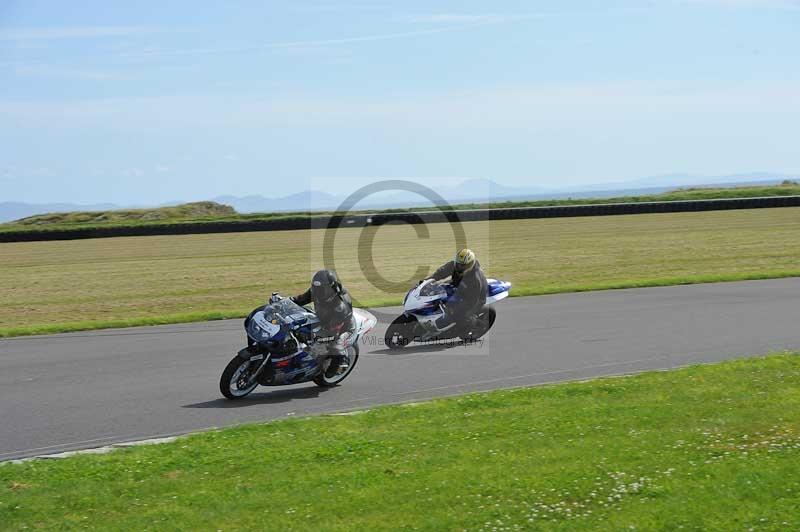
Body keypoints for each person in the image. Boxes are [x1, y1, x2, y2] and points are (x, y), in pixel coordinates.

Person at [291, 269, 355, 376]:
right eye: (316, 288)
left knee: (335, 347)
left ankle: (339, 363)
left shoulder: (340, 307)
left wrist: (312, 336)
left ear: (331, 288)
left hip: (342, 328)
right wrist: (285, 301)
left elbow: (331, 333)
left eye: (321, 289)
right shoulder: (316, 291)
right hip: (323, 318)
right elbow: (300, 300)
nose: (318, 292)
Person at [424, 249, 487, 328]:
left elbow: (471, 302)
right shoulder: (456, 265)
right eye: (458, 264)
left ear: (471, 264)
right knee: (437, 291)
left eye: (463, 265)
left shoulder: (475, 280)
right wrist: (430, 279)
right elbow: (442, 271)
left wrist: (455, 309)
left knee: (459, 316)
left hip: (476, 299)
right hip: (460, 287)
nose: (460, 267)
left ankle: (477, 324)